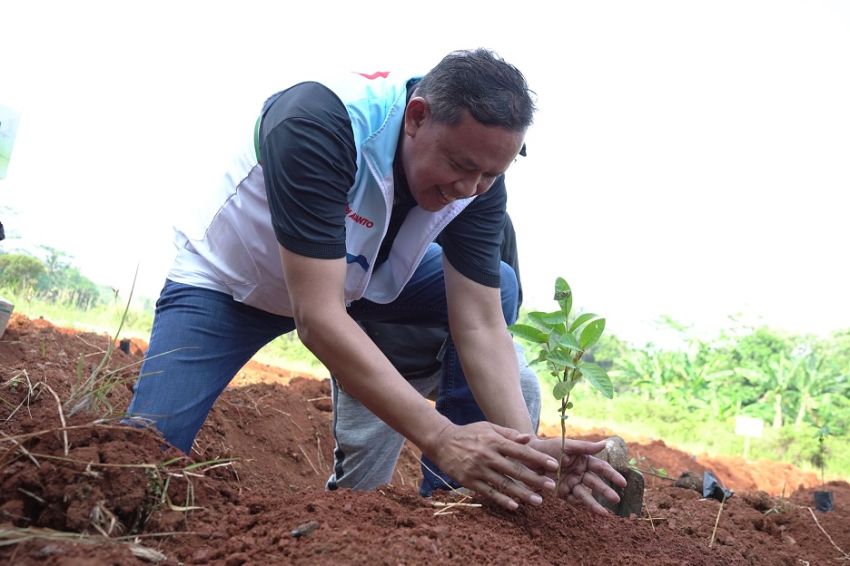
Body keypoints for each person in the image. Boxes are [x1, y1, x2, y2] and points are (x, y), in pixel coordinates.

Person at [125, 48, 626, 513]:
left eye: (489, 176)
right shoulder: (319, 122)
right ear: (417, 116)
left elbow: (478, 325)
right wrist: (442, 436)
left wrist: (530, 453)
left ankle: (457, 507)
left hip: (364, 285)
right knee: (141, 459)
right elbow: (318, 318)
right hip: (233, 287)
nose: (468, 190)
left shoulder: (477, 180)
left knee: (499, 283)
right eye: (461, 166)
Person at [330, 213, 543, 495]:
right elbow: (334, 305)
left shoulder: (491, 223)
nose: (465, 185)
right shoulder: (380, 209)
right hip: (385, 362)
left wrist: (527, 447)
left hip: (457, 363)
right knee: (357, 492)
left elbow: (495, 318)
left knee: (523, 381)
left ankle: (454, 497)